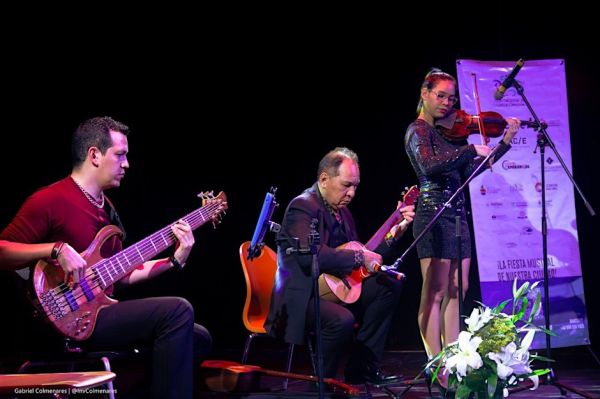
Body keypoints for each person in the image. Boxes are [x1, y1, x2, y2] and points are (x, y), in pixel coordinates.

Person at [0, 116, 212, 399]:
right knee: (177, 311)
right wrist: (55, 249)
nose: (127, 164)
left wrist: (174, 260)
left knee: (197, 338)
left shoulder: (107, 210)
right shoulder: (51, 199)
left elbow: (121, 275)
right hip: (59, 319)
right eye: (120, 155)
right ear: (94, 155)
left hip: (97, 312)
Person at [404, 69, 519, 386]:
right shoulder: (418, 131)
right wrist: (469, 149)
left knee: (458, 290)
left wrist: (504, 143)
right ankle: (435, 364)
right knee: (435, 293)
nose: (446, 103)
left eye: (451, 98)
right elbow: (429, 165)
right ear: (425, 93)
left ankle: (453, 361)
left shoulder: (446, 135)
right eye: (440, 95)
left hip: (457, 214)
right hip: (433, 213)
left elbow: (471, 171)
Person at [264, 147, 415, 385]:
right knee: (341, 319)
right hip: (301, 297)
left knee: (387, 285)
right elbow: (311, 256)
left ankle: (362, 370)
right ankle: (324, 385)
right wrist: (359, 259)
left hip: (334, 292)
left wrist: (394, 234)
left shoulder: (343, 214)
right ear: (324, 179)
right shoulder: (302, 206)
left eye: (355, 186)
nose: (352, 192)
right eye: (346, 185)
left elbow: (362, 257)